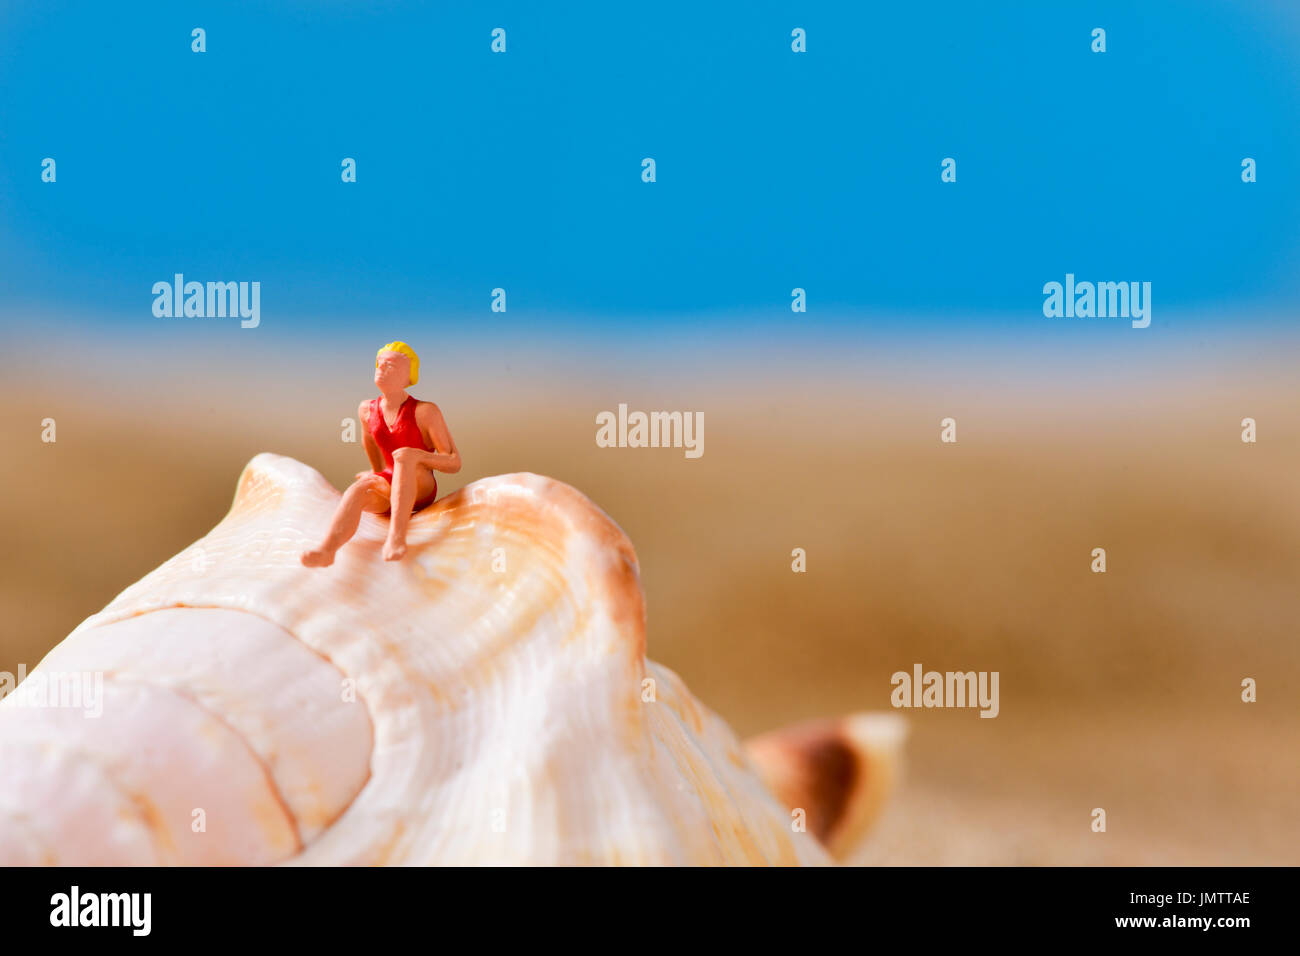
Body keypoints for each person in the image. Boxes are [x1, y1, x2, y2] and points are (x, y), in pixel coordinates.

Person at [301, 341, 461, 566]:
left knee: (405, 462)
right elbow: (370, 443)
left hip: (420, 485)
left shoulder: (426, 412)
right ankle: (327, 550)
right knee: (358, 490)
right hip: (390, 479)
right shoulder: (366, 410)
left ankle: (396, 538)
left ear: (408, 377)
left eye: (391, 366)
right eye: (380, 364)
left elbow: (454, 462)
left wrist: (417, 456)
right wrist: (376, 473)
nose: (382, 369)